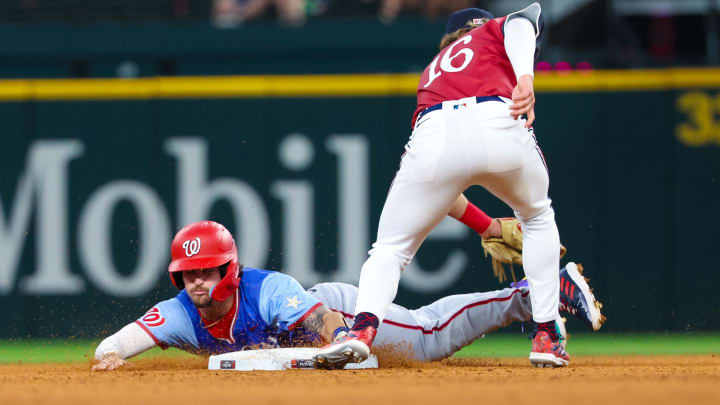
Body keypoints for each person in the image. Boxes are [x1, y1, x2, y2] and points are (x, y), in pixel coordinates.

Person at [315, 3, 567, 369]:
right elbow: (525, 20)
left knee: (389, 249)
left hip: (434, 133)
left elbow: (447, 183)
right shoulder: (492, 33)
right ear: (478, 28)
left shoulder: (432, 72)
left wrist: (488, 226)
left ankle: (362, 329)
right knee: (537, 217)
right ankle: (546, 333)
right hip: (498, 117)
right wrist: (526, 78)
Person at [92, 220, 603, 371]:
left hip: (332, 310)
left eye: (207, 271)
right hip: (316, 332)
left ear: (230, 269)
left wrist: (345, 344)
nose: (196, 282)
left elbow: (326, 326)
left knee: (426, 335)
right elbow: (117, 342)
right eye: (188, 273)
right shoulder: (182, 312)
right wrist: (111, 356)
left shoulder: (267, 290)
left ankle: (534, 290)